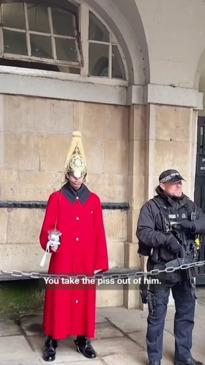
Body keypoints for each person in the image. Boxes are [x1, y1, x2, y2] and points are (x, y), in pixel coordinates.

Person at [39, 131, 109, 361]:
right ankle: (52, 338)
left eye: (80, 174)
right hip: (63, 260)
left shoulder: (95, 200)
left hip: (86, 261)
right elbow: (48, 227)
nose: (76, 178)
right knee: (59, 300)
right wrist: (51, 240)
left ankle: (82, 338)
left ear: (85, 174)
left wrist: (100, 262)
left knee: (83, 300)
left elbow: (99, 232)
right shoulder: (56, 198)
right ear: (67, 174)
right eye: (72, 174)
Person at [136, 169, 205, 365]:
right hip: (162, 268)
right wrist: (166, 240)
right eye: (174, 183)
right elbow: (143, 232)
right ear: (163, 186)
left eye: (180, 183)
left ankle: (184, 357)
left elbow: (203, 222)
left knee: (186, 313)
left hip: (186, 269)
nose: (179, 186)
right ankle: (155, 359)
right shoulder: (151, 207)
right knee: (157, 316)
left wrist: (190, 226)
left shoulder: (189, 204)